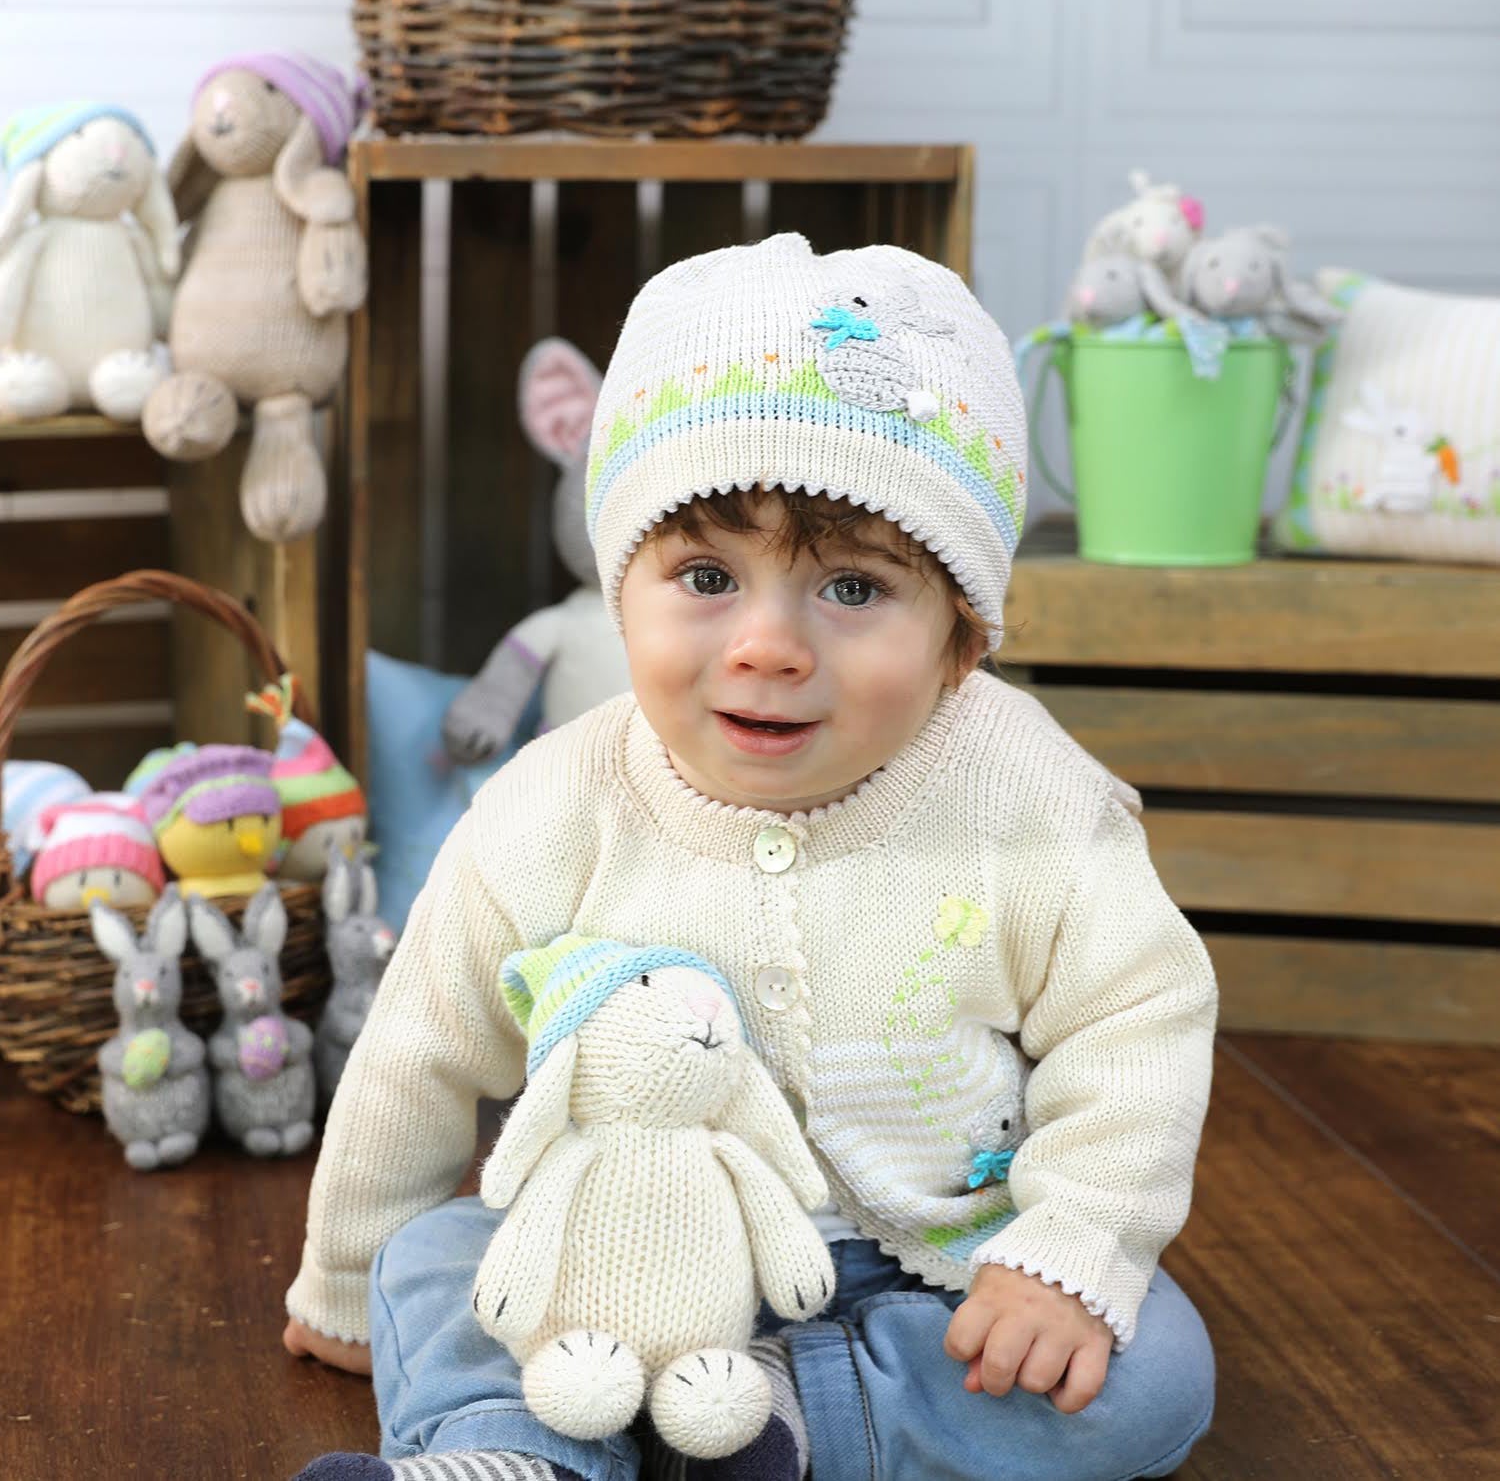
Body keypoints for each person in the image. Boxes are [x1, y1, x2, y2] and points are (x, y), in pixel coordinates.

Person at [286, 232, 1218, 1481]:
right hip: (619, 1243)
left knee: (1153, 1368)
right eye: (708, 576)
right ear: (621, 597)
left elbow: (1138, 1017)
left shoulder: (1028, 795)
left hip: (926, 1266)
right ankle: (507, 1455)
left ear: (961, 640)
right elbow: (420, 1048)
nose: (770, 645)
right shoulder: (559, 799)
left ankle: (772, 1424)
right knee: (434, 1260)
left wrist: (1070, 1247)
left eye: (852, 590)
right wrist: (349, 1284)